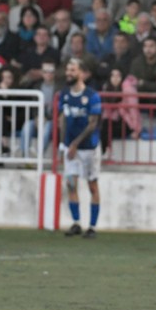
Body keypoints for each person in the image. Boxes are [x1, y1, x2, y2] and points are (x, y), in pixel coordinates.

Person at [60, 58, 102, 238]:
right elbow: (62, 118)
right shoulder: (64, 94)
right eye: (68, 70)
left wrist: (75, 144)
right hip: (70, 148)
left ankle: (92, 226)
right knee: (71, 184)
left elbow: (93, 124)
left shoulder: (92, 96)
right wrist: (63, 144)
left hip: (88, 148)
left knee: (92, 186)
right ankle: (76, 223)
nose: (69, 73)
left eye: (73, 70)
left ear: (82, 73)